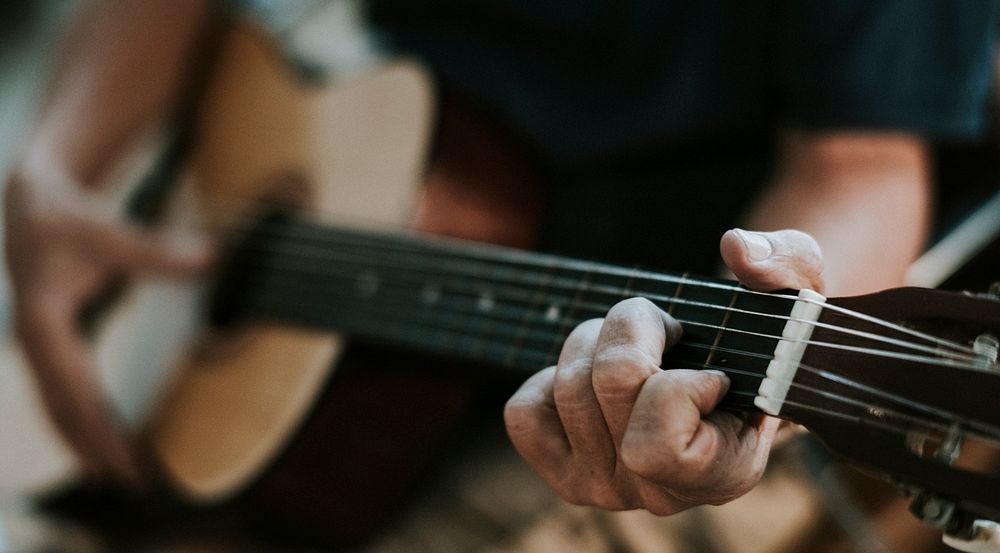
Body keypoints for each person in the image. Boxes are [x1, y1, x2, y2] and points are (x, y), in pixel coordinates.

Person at [4, 0, 998, 548]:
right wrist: (51, 174)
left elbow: (859, 158)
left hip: (600, 377)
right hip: (348, 157)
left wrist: (760, 403)